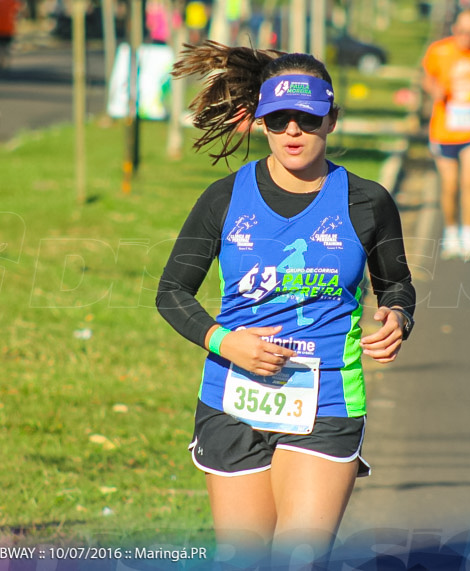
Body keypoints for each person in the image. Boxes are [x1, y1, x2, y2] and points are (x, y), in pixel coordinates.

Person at [156, 42, 416, 567]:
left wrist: (397, 317)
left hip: (327, 400)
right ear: (259, 123)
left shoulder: (367, 202)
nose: (293, 132)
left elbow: (397, 284)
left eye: (307, 119)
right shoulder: (224, 198)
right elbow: (171, 293)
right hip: (232, 398)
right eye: (279, 120)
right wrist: (227, 342)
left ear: (331, 120)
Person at [422, 8, 470, 261]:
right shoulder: (439, 51)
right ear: (454, 28)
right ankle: (451, 233)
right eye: (463, 31)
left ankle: (469, 235)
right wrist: (434, 90)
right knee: (449, 185)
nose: (467, 36)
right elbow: (427, 78)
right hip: (445, 128)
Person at [0, 0, 21, 68]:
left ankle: (0, 61)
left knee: (0, 46)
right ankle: (6, 61)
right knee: (7, 46)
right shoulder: (13, 1)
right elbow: (19, 12)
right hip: (9, 28)